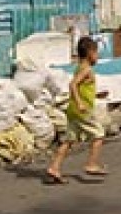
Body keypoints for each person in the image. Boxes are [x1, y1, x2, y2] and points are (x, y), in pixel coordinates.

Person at [45, 36, 109, 184]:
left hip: (73, 110)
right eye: (96, 53)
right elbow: (73, 85)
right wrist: (81, 103)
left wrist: (97, 95)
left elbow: (81, 88)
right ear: (89, 53)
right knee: (99, 134)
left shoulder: (79, 68)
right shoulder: (86, 69)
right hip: (82, 110)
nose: (97, 56)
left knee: (68, 140)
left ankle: (54, 168)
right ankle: (92, 164)